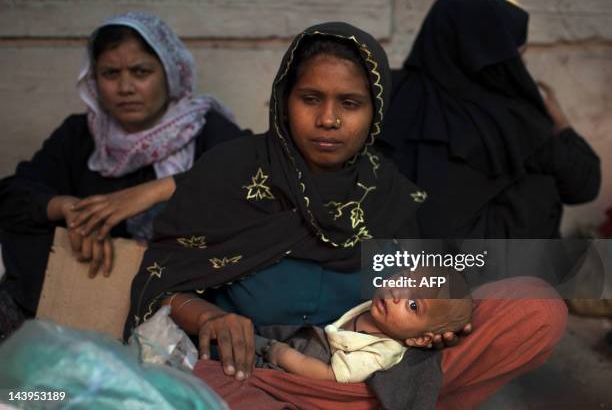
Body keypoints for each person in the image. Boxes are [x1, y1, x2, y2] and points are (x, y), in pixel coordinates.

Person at [126, 22, 567, 409]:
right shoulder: (229, 171)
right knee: (200, 382)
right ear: (284, 101)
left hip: (369, 374)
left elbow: (420, 282)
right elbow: (161, 279)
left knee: (535, 304)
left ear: (375, 112)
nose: (329, 119)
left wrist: (437, 319)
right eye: (311, 98)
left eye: (350, 103)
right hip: (257, 372)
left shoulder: (385, 190)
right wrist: (207, 318)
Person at [0, 12, 245, 332]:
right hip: (92, 290)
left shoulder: (206, 129)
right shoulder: (82, 135)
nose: (125, 87)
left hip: (183, 295)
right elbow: (13, 193)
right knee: (25, 226)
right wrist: (72, 212)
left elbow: (253, 184)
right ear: (95, 78)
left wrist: (154, 191)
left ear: (169, 74)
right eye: (110, 73)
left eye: (141, 72)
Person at [380, 0, 601, 239]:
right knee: (543, 186)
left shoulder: (388, 92)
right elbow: (584, 184)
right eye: (518, 54)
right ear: (491, 54)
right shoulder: (510, 116)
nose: (522, 65)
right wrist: (561, 123)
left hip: (385, 257)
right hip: (475, 265)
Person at [264, 271, 473, 383]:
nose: (397, 293)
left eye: (413, 305)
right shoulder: (381, 312)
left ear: (420, 339)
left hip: (305, 366)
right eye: (405, 279)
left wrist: (283, 355)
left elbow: (329, 375)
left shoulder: (380, 353)